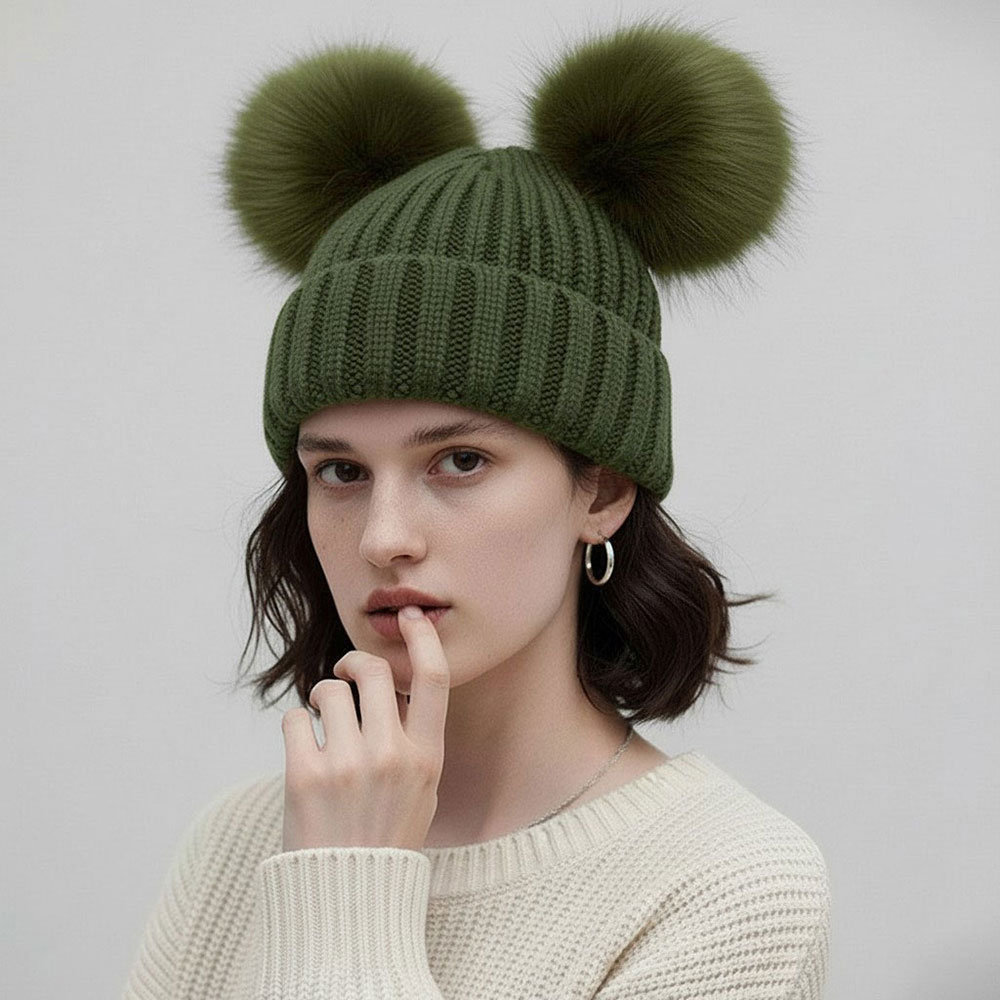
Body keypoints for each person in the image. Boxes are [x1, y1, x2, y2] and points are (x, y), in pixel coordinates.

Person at [122, 16, 831, 999]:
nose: (384, 538)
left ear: (602, 487)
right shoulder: (244, 841)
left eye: (459, 460)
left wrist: (351, 890)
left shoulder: (728, 886)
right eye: (340, 471)